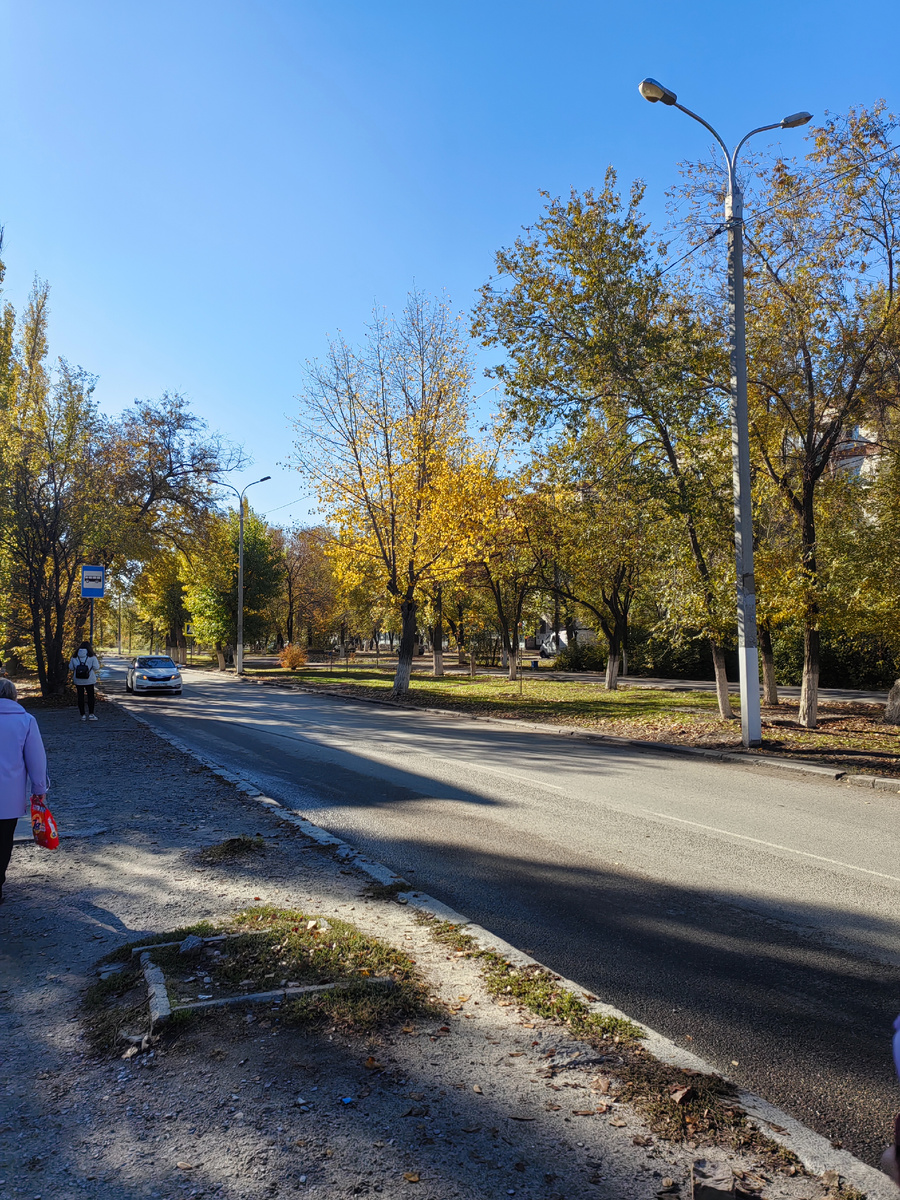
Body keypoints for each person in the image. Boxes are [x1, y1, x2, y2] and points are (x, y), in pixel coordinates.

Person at [0, 678, 49, 904]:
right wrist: (40, 789)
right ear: (14, 696)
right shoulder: (26, 721)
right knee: (3, 839)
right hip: (8, 797)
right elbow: (36, 760)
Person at [69, 641, 100, 721]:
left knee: (80, 697)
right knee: (90, 697)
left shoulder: (74, 657)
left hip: (78, 679)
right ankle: (91, 714)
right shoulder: (92, 657)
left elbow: (71, 668)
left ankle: (82, 715)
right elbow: (96, 667)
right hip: (89, 679)